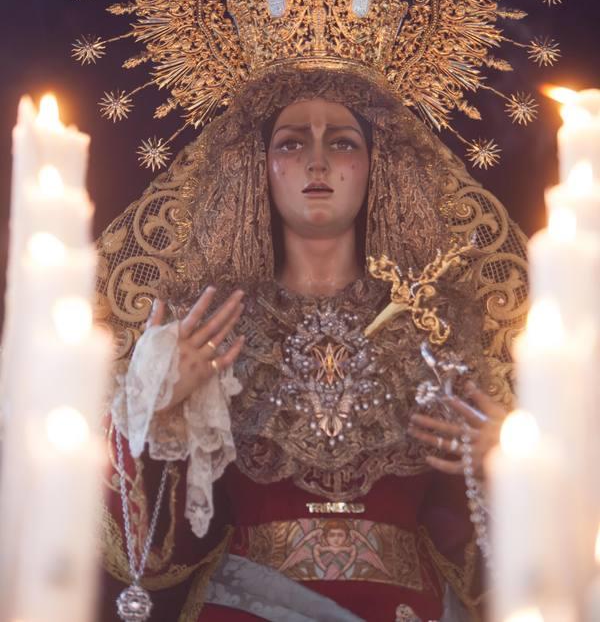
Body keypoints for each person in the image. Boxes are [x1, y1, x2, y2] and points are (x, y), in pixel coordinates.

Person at [100, 69, 517, 622]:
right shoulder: (211, 331)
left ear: (376, 165)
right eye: (291, 144)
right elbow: (150, 555)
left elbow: (469, 546)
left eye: (342, 143)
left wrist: (506, 464)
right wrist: (153, 408)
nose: (317, 163)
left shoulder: (436, 329)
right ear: (259, 168)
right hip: (245, 609)